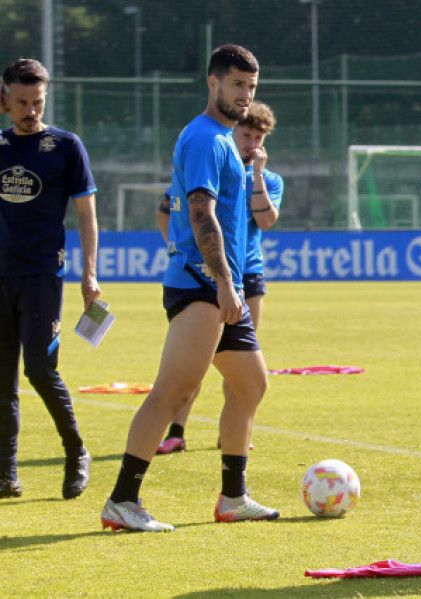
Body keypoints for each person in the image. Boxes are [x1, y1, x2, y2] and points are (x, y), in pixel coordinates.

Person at [101, 45, 280, 532]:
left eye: (252, 86)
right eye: (237, 84)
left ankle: (233, 498)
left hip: (223, 288)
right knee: (173, 391)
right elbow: (201, 214)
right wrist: (224, 284)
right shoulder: (205, 138)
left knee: (250, 385)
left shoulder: (223, 138)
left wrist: (232, 286)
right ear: (213, 82)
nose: (246, 95)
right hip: (201, 286)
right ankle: (122, 500)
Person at [155, 101, 284, 454]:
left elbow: (267, 220)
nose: (251, 143)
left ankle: (235, 434)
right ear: (234, 131)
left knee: (245, 365)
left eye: (259, 137)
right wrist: (176, 247)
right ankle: (176, 431)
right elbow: (169, 208)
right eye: (246, 134)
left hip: (248, 274)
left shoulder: (268, 180)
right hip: (205, 277)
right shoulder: (214, 161)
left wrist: (256, 173)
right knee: (190, 370)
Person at [0, 58, 98, 500]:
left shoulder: (66, 146)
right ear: (5, 99)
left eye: (37, 101)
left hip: (42, 274)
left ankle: (76, 451)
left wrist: (89, 273)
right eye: (21, 102)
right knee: (2, 379)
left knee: (40, 370)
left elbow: (86, 214)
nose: (30, 110)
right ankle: (6, 473)